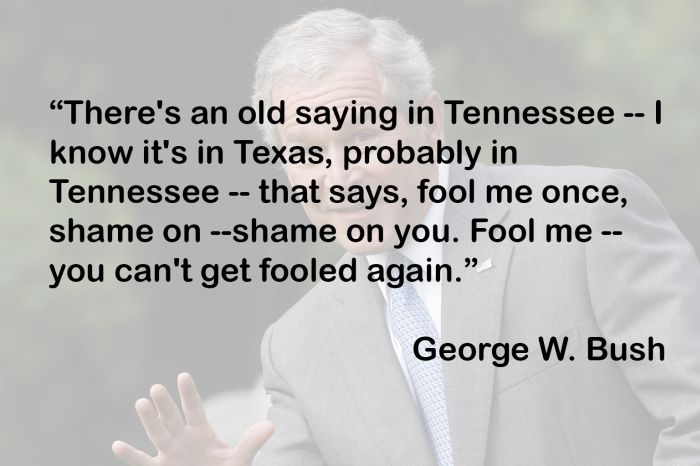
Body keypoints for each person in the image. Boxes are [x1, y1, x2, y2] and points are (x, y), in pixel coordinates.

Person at [112, 9, 700, 466]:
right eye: (305, 154)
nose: (336, 176)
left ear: (429, 122)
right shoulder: (294, 349)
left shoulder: (588, 222)